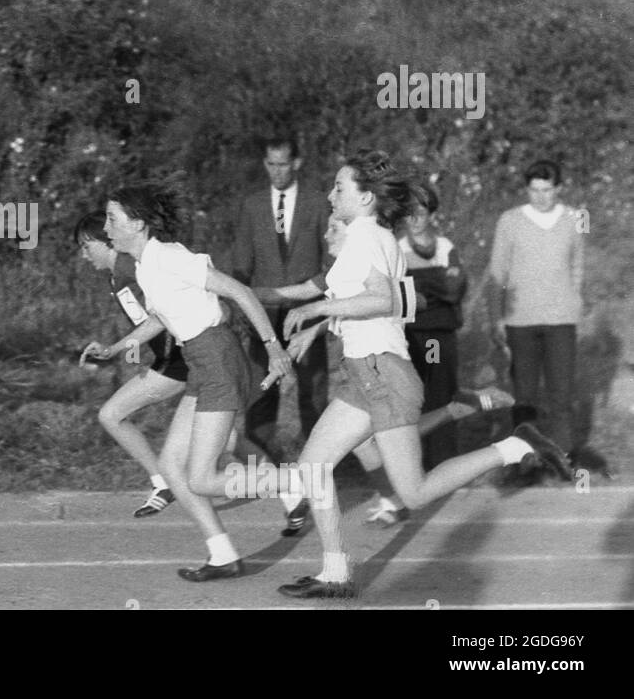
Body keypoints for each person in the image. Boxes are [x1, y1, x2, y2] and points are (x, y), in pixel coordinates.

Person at [276, 150, 572, 599]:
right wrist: (308, 316)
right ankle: (335, 572)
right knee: (314, 467)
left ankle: (517, 445)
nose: (330, 194)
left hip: (383, 373)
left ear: (368, 198)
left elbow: (380, 300)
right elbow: (373, 302)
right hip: (367, 373)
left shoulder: (365, 238)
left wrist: (316, 308)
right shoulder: (369, 235)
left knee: (412, 493)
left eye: (340, 188)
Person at [82, 184, 294, 582]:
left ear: (138, 223)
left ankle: (296, 481)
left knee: (201, 478)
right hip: (201, 360)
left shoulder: (168, 257)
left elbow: (239, 291)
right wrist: (114, 348)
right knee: (171, 468)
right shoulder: (144, 263)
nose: (106, 228)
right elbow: (161, 319)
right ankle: (223, 555)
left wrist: (274, 347)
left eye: (112, 219)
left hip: (216, 357)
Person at [260, 216, 514, 528]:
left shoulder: (375, 253)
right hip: (359, 366)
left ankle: (454, 422)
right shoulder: (336, 270)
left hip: (391, 356)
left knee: (380, 440)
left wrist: (324, 315)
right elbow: (294, 293)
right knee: (368, 441)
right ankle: (391, 498)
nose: (326, 234)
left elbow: (411, 301)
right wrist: (239, 293)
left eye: (335, 227)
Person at [487, 160, 600, 474]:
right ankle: (524, 460)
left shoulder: (576, 218)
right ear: (527, 189)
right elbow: (498, 273)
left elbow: (577, 264)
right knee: (524, 397)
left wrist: (574, 299)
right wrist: (496, 318)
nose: (540, 196)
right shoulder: (509, 221)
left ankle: (561, 459)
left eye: (547, 189)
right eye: (534, 190)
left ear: (559, 188)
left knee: (561, 394)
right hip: (519, 321)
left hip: (561, 321)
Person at [75, 211, 188, 518]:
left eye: (86, 246)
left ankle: (164, 482)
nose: (84, 256)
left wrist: (117, 351)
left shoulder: (128, 268)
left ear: (103, 241)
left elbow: (162, 314)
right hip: (175, 356)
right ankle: (289, 488)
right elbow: (146, 322)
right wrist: (118, 352)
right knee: (226, 438)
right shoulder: (117, 275)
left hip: (185, 355)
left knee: (112, 414)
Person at [226, 134, 331, 463]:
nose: (276, 171)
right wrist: (240, 303)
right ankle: (258, 457)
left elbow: (330, 258)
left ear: (297, 163)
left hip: (307, 305)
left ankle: (320, 459)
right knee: (261, 381)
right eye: (270, 164)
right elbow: (242, 261)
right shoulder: (253, 204)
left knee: (312, 384)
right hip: (264, 308)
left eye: (283, 164)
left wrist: (322, 296)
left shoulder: (317, 202)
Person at [399, 182, 467, 467]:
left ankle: (442, 461)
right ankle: (415, 463)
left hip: (436, 338)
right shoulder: (397, 249)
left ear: (431, 215)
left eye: (421, 213)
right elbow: (401, 295)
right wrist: (435, 284)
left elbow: (453, 291)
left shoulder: (445, 247)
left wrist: (423, 288)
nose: (415, 220)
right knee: (413, 397)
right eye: (409, 213)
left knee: (438, 392)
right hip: (408, 334)